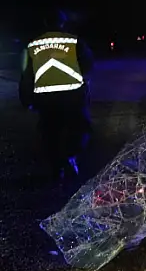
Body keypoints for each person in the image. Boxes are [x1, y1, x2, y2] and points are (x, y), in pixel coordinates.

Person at [20, 10, 94, 180]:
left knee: (50, 134)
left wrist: (26, 99)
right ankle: (70, 155)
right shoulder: (74, 42)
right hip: (72, 97)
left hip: (45, 99)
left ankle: (56, 169)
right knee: (81, 128)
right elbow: (88, 64)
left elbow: (27, 74)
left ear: (45, 23)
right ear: (63, 23)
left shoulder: (33, 45)